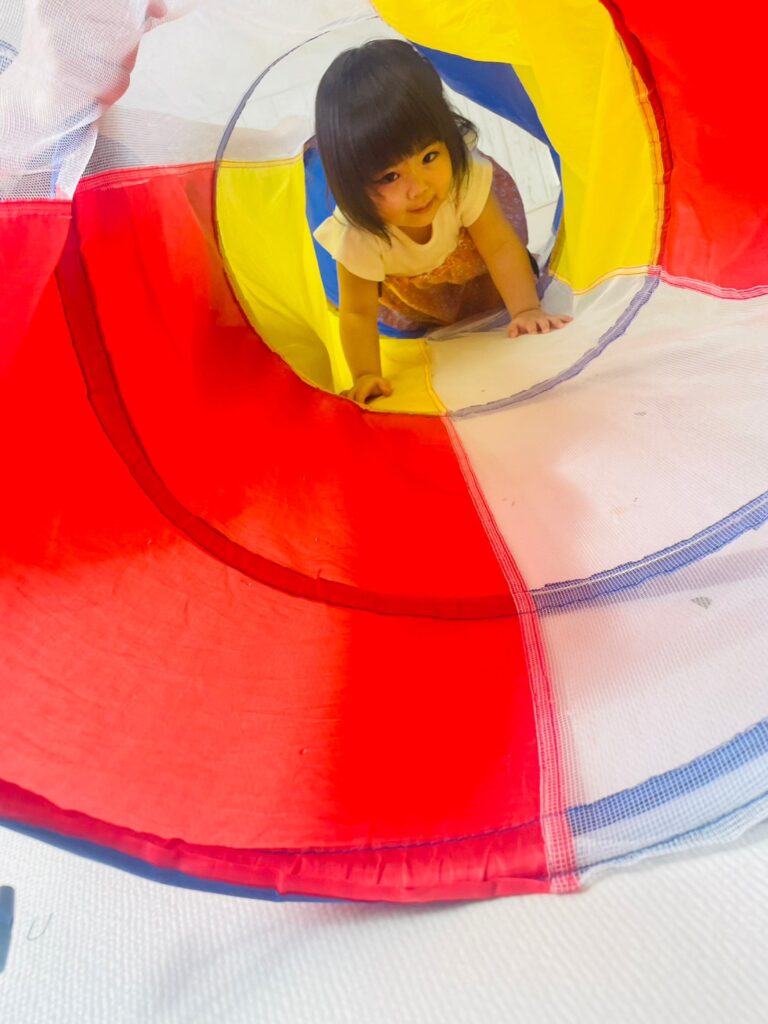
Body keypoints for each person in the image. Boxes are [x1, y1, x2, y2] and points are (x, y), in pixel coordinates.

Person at [314, 39, 572, 404]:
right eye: (390, 177)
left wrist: (526, 310)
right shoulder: (358, 232)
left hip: (478, 275)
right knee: (436, 329)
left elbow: (500, 247)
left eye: (429, 156)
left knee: (502, 272)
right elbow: (357, 312)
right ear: (352, 184)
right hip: (420, 303)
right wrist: (366, 374)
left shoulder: (460, 179)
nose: (419, 188)